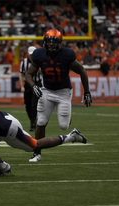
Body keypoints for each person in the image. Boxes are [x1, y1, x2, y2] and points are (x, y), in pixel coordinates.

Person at [25, 29, 92, 163]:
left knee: (63, 126)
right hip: (47, 91)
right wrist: (33, 86)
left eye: (53, 42)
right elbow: (28, 74)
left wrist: (87, 92)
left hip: (64, 92)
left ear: (59, 43)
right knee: (41, 122)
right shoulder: (38, 54)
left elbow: (82, 71)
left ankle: (73, 132)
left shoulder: (67, 54)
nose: (50, 45)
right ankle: (36, 153)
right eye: (48, 42)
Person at [19, 46, 42, 131]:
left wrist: (38, 66)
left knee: (34, 105)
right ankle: (33, 120)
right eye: (31, 55)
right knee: (27, 105)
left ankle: (33, 125)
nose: (32, 56)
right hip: (28, 85)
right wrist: (22, 86)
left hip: (37, 84)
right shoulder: (24, 62)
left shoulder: (39, 61)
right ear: (28, 54)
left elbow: (42, 73)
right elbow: (21, 74)